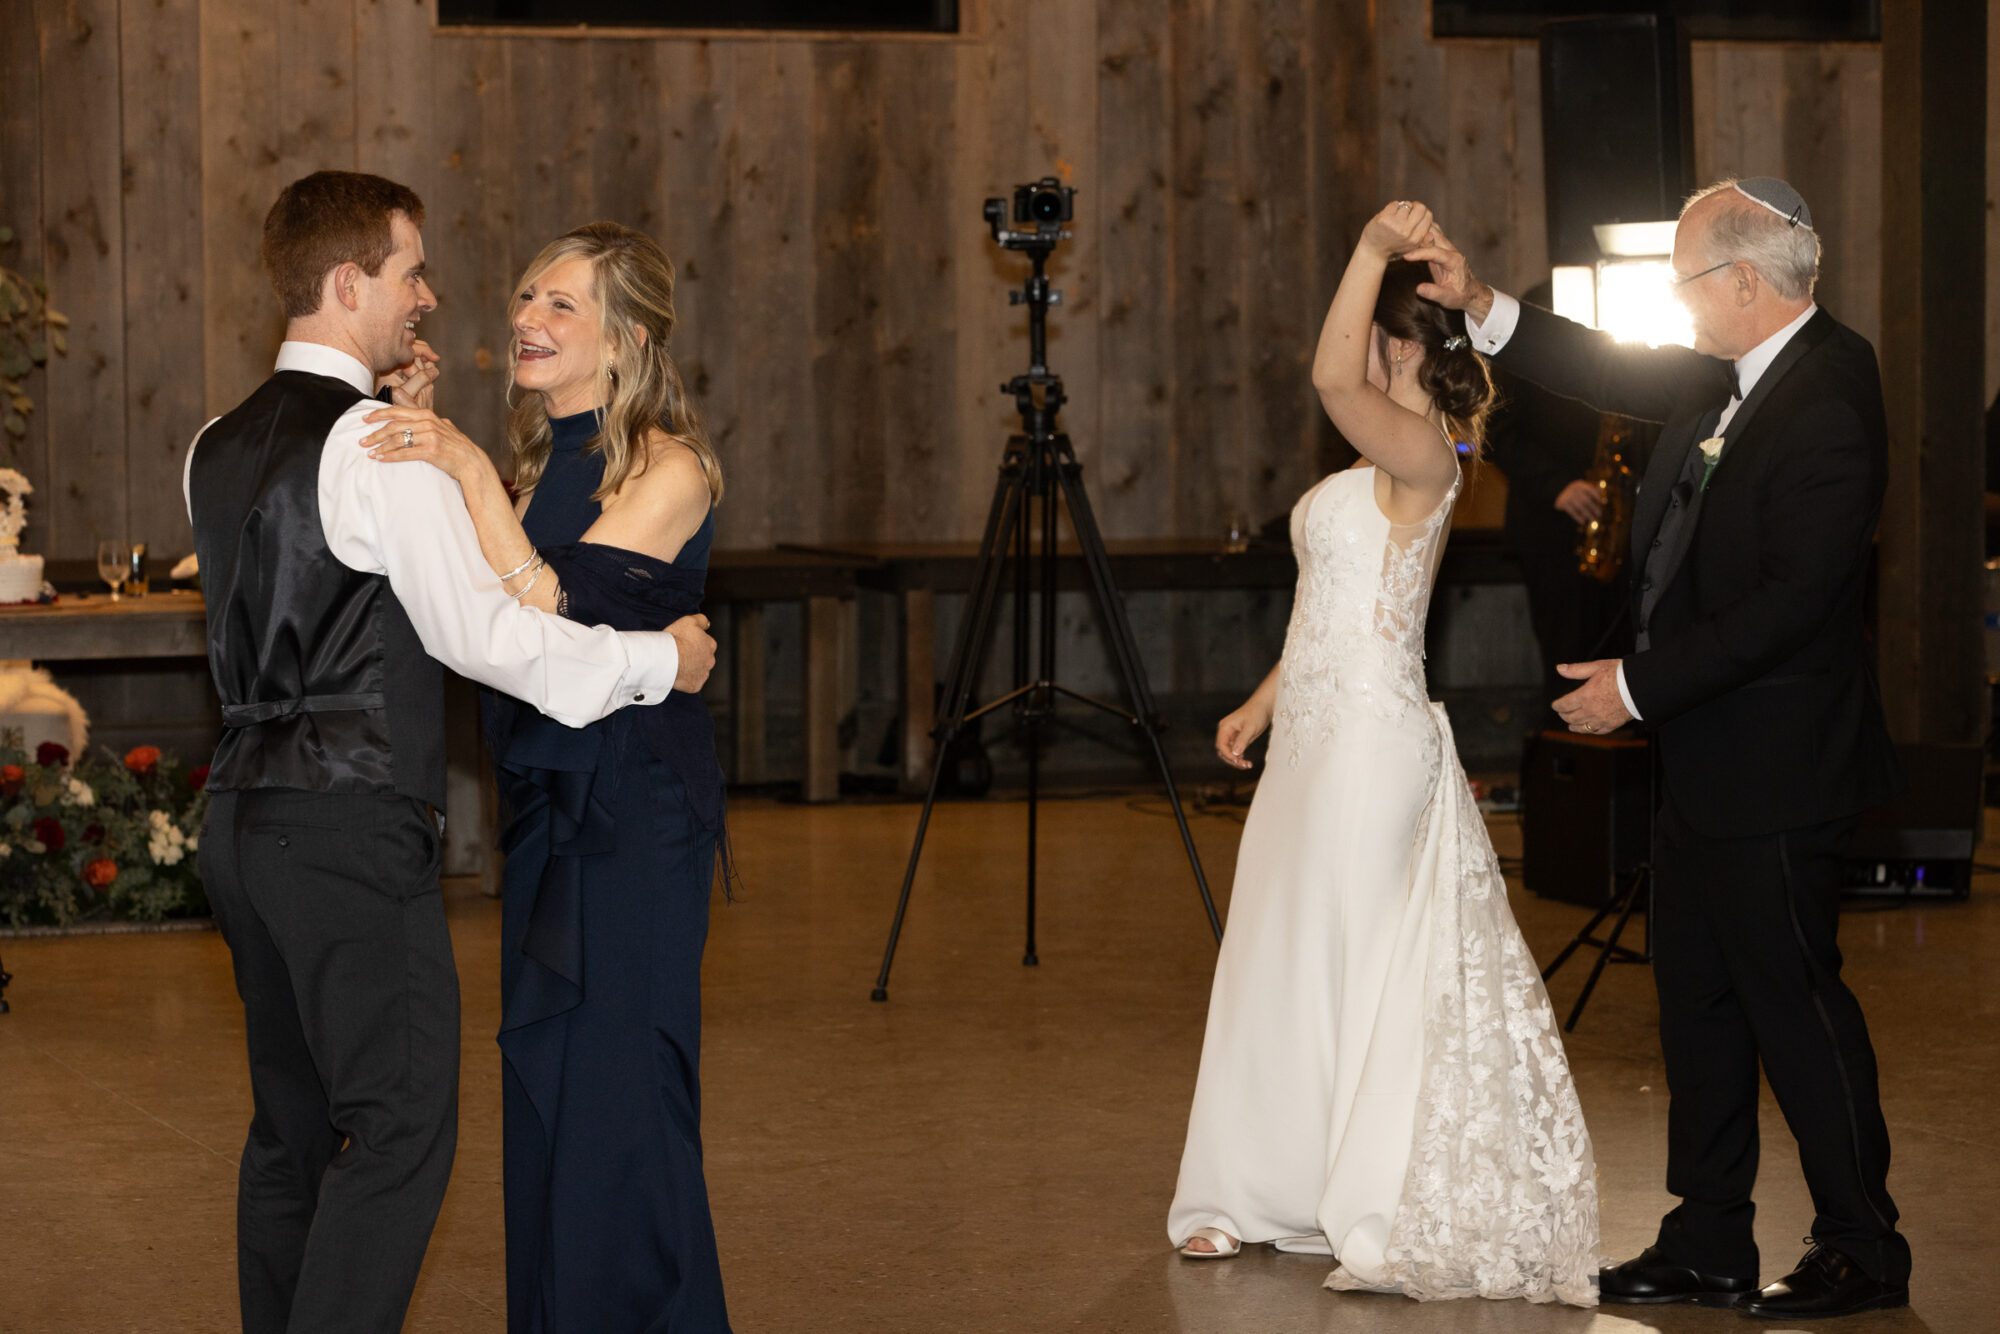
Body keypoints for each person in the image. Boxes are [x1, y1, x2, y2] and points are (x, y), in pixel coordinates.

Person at [186, 172, 716, 1334]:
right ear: (347, 284)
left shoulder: (214, 442)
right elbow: (495, 640)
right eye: (409, 272)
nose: (432, 295)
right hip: (347, 823)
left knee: (290, 1130)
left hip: (240, 820)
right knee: (399, 1129)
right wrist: (655, 663)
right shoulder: (380, 450)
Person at [1412, 176, 1910, 1318]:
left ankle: (1864, 1244)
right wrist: (1482, 300)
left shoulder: (1829, 389)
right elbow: (1603, 366)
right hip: (1705, 756)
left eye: (1684, 281)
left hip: (1778, 765)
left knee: (1792, 1002)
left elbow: (1794, 599)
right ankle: (1706, 1235)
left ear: (1741, 281)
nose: (1674, 305)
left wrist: (1635, 686)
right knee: (1697, 1001)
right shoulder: (1734, 371)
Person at [1167, 200, 1600, 1307]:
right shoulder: (1360, 469)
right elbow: (1333, 604)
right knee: (1279, 948)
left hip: (1371, 744)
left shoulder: (1427, 453)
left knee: (1350, 956)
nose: (1344, 334)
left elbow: (1327, 384)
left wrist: (1365, 249)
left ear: (1399, 342)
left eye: (1359, 317)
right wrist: (1264, 702)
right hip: (1313, 733)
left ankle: (1359, 1193)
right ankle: (1251, 1187)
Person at [360, 222, 732, 1331]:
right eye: (526, 295)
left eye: (561, 304)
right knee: (551, 1084)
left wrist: (466, 462)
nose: (527, 317)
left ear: (625, 338)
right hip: (542, 802)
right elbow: (474, 616)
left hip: (634, 809)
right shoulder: (537, 468)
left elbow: (550, 604)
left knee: (623, 1084)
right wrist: (433, 442)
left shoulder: (672, 466)